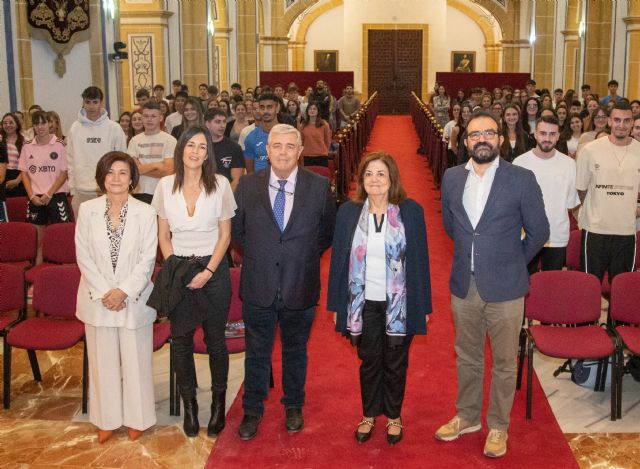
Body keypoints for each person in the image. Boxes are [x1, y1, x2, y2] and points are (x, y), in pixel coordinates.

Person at [436, 111, 549, 458]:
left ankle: (498, 425)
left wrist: (512, 260)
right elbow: (451, 227)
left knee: (504, 362)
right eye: (474, 134)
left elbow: (539, 231)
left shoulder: (521, 178)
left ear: (500, 139)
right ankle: (468, 417)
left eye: (488, 133)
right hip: (464, 286)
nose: (481, 139)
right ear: (465, 141)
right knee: (466, 357)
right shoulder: (452, 178)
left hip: (507, 288)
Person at [232, 124, 336, 440]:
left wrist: (297, 255)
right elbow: (239, 234)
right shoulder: (248, 186)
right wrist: (267, 254)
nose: (283, 152)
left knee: (295, 350)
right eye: (277, 146)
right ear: (267, 150)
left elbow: (326, 233)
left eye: (290, 147)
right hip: (258, 282)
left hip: (299, 283)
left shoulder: (319, 187)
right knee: (257, 352)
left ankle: (293, 405)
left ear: (300, 151)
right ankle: (252, 410)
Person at [327, 151, 432, 446]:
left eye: (381, 174)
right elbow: (338, 262)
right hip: (362, 303)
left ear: (392, 179)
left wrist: (423, 306)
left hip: (400, 303)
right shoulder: (349, 212)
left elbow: (421, 261)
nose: (374, 180)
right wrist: (337, 306)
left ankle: (394, 415)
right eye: (369, 174)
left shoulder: (410, 211)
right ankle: (370, 413)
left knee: (396, 362)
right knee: (369, 359)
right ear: (362, 180)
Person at [149, 125, 236, 438]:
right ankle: (189, 407)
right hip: (178, 270)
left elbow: (225, 235)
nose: (196, 151)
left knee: (215, 341)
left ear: (207, 153)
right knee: (181, 342)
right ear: (181, 149)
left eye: (202, 147)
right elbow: (163, 234)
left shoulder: (220, 185)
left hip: (213, 270)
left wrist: (209, 271)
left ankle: (216, 406)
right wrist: (176, 267)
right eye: (190, 145)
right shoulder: (164, 186)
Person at [75, 151, 158, 444]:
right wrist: (105, 293)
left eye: (123, 172)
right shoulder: (87, 210)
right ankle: (106, 419)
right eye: (110, 172)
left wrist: (123, 291)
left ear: (132, 178)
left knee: (136, 361)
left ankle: (138, 419)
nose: (116, 178)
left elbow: (148, 259)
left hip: (133, 298)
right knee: (102, 361)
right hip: (97, 298)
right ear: (101, 177)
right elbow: (83, 256)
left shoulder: (146, 212)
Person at [576, 102, 640, 284]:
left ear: (632, 123)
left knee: (621, 289)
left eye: (627, 120)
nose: (622, 125)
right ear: (609, 121)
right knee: (589, 287)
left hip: (626, 232)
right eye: (617, 120)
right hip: (595, 230)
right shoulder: (590, 150)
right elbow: (581, 189)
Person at [513, 115, 580, 273]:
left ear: (558, 136)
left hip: (557, 237)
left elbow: (571, 204)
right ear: (535, 134)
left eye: (552, 134)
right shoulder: (519, 163)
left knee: (552, 288)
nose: (547, 138)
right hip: (526, 237)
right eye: (543, 133)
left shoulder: (569, 165)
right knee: (525, 286)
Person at [18, 110, 72, 262]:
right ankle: (36, 278)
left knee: (61, 239)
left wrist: (49, 194)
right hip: (35, 198)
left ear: (50, 124)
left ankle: (62, 273)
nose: (40, 127)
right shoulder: (27, 146)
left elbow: (63, 173)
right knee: (37, 242)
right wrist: (31, 195)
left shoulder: (60, 145)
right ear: (33, 126)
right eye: (36, 123)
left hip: (56, 196)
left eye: (43, 123)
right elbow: (24, 174)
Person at [67, 86, 127, 217]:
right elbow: (70, 159)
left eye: (95, 102)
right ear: (83, 103)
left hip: (107, 189)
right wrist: (72, 188)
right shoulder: (75, 128)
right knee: (84, 232)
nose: (91, 106)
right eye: (88, 102)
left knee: (108, 230)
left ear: (101, 102)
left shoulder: (114, 128)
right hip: (81, 190)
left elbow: (123, 160)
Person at [127, 102, 176, 203]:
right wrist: (156, 165)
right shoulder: (134, 141)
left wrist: (142, 169)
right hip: (138, 193)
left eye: (153, 116)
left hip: (163, 193)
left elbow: (168, 172)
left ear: (161, 118)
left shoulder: (170, 140)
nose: (149, 119)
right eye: (145, 116)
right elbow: (132, 170)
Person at [204, 108, 245, 191]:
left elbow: (236, 181)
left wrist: (225, 199)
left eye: (224, 121)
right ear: (207, 124)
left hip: (225, 193)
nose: (222, 125)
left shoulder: (234, 148)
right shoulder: (200, 146)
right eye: (218, 122)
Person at [243, 93, 280, 173]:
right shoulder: (251, 137)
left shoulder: (288, 134)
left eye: (269, 107)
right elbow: (250, 172)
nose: (265, 111)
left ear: (277, 108)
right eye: (262, 108)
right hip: (260, 183)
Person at [298, 102, 332, 167]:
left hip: (321, 155)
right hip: (307, 156)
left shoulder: (324, 124)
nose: (312, 110)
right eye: (310, 109)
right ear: (307, 111)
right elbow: (301, 141)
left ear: (318, 111)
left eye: (314, 109)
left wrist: (325, 151)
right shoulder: (303, 125)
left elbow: (327, 140)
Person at [0, 113, 26, 197]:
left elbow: (28, 164)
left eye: (11, 122)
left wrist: (17, 181)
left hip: (19, 178)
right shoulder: (0, 140)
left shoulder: (25, 141)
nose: (8, 125)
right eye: (5, 123)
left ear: (17, 124)